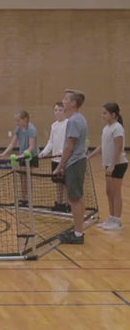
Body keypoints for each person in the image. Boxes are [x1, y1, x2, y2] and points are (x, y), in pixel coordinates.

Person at [53, 89, 88, 244]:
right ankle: (78, 230)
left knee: (74, 199)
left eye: (66, 99)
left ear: (73, 103)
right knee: (77, 198)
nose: (63, 101)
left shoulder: (74, 121)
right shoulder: (80, 118)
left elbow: (70, 146)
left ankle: (78, 234)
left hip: (74, 162)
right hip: (79, 161)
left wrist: (60, 165)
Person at [87, 102, 127, 230]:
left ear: (114, 115)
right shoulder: (106, 128)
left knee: (115, 193)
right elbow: (102, 147)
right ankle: (111, 218)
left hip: (118, 164)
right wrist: (88, 157)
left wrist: (113, 165)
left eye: (105, 113)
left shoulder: (117, 128)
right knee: (109, 192)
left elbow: (118, 148)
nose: (102, 115)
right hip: (109, 165)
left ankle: (117, 221)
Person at [0, 109, 39, 206]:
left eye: (18, 120)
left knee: (28, 178)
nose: (17, 123)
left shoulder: (31, 129)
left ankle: (29, 199)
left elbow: (31, 147)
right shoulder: (18, 129)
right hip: (22, 156)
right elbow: (12, 144)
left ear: (25, 119)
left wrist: (22, 155)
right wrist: (4, 154)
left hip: (31, 156)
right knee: (22, 178)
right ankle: (23, 199)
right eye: (16, 121)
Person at [39, 102, 69, 212]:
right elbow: (50, 142)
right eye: (55, 110)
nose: (57, 112)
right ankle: (59, 202)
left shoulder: (68, 124)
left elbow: (69, 142)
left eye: (60, 110)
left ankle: (67, 203)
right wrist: (44, 152)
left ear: (65, 112)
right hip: (55, 159)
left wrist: (63, 153)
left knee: (66, 183)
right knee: (58, 182)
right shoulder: (54, 125)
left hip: (65, 159)